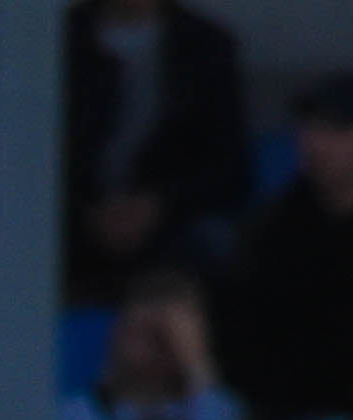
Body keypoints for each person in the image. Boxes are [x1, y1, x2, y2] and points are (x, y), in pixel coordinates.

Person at [62, 0, 249, 297]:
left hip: (173, 216)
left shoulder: (206, 46)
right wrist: (87, 207)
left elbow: (230, 164)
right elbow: (30, 151)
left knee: (216, 243)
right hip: (72, 213)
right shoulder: (58, 40)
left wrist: (159, 204)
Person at [221, 73, 353, 420]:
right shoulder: (271, 228)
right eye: (310, 128)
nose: (316, 143)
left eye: (336, 130)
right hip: (288, 418)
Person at [56, 271, 243, 420]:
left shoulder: (217, 409)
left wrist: (196, 366)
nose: (156, 347)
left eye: (168, 336)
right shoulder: (75, 413)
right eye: (143, 332)